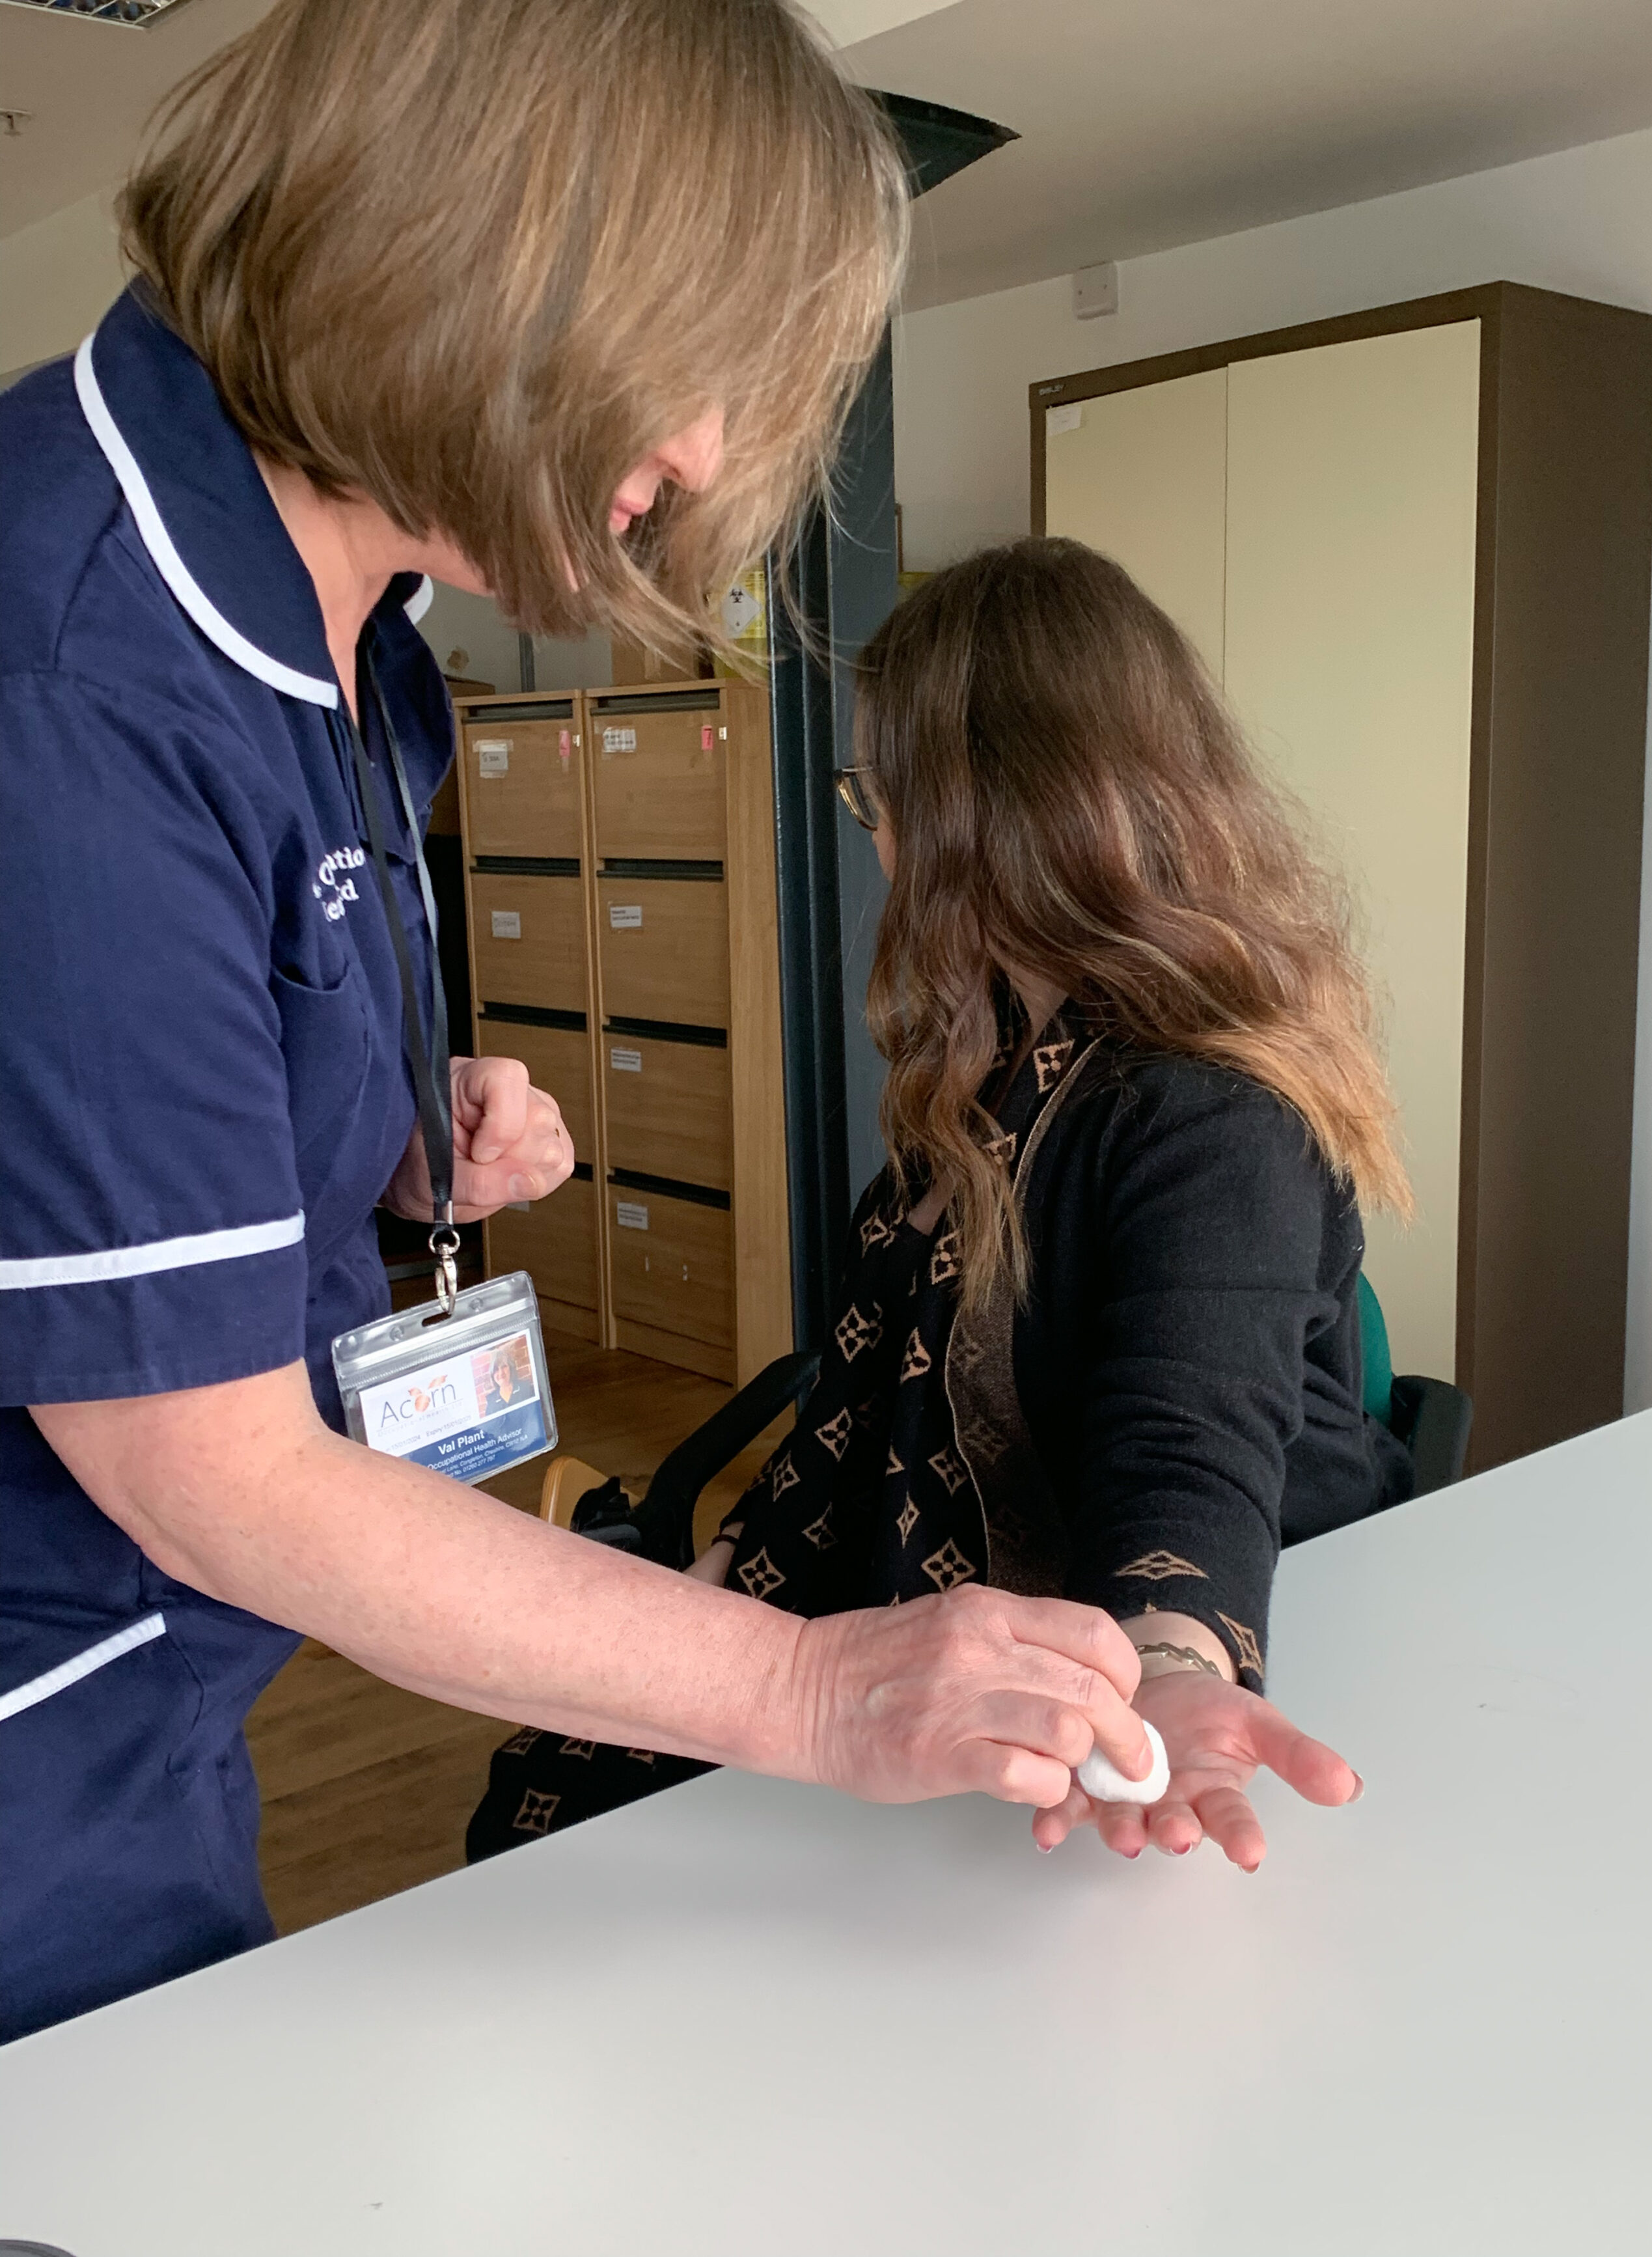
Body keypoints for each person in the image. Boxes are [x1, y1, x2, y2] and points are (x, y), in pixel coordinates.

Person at [0, 0, 1155, 2045]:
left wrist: (380, 1123)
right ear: (477, 254)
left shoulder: (349, 624)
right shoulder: (76, 673)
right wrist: (814, 1683)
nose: (703, 461)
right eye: (694, 370)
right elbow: (211, 1471)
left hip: (153, 1697)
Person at [471, 539, 1404, 1870]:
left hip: (1108, 1722)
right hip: (961, 1664)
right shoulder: (995, 1060)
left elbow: (1183, 1431)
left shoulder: (1207, 1115)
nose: (879, 837)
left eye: (875, 796)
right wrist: (716, 1592)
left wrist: (1175, 1668)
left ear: (980, 815)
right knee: (571, 1800)